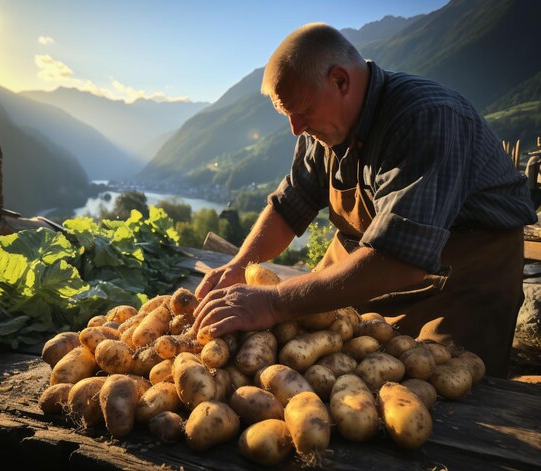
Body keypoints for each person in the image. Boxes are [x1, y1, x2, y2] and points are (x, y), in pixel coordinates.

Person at [192, 22, 538, 378]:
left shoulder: (426, 117)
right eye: (287, 115)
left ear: (340, 81)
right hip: (368, 262)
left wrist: (276, 302)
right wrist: (240, 263)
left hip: (463, 275)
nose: (295, 128)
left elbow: (402, 260)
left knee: (443, 386)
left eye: (302, 110)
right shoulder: (322, 127)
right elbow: (290, 203)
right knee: (324, 360)